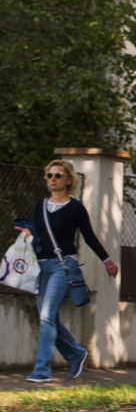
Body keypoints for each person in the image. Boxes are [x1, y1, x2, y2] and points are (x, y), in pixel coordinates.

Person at [12, 161, 118, 383]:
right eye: (49, 175)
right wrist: (29, 234)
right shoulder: (40, 205)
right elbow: (41, 235)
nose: (52, 179)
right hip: (42, 266)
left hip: (63, 266)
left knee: (47, 316)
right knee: (46, 318)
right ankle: (77, 354)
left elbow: (89, 236)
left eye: (58, 175)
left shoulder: (75, 208)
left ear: (68, 179)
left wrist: (107, 261)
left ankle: (41, 370)